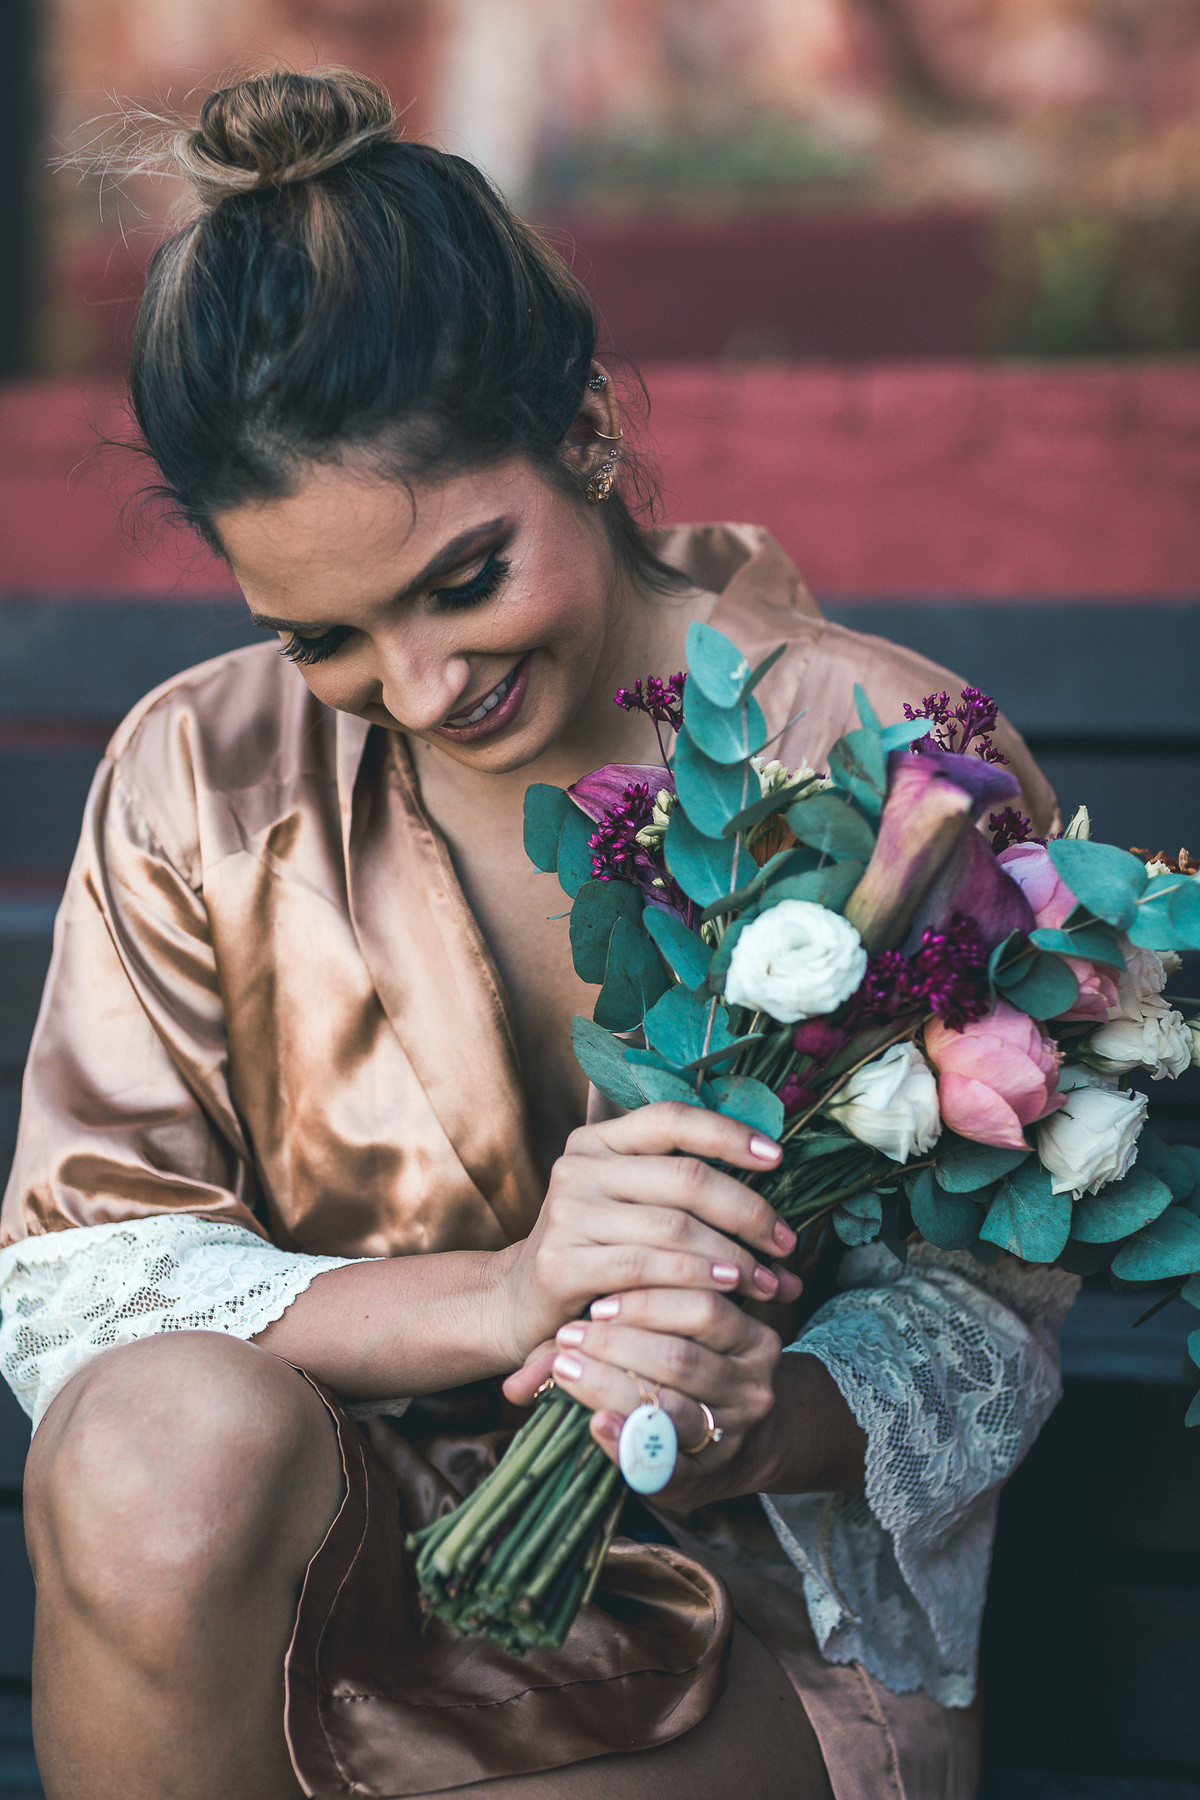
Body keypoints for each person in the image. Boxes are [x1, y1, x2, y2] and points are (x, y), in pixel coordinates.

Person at [0, 70, 1078, 1800]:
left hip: (750, 1606)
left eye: (463, 578)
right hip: (318, 1575)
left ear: (580, 428)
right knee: (144, 1441)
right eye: (324, 640)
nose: (422, 690)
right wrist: (508, 1293)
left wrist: (753, 1416)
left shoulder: (892, 769)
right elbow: (79, 1292)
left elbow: (990, 1311)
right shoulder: (194, 770)